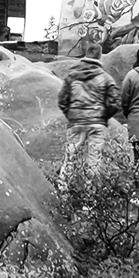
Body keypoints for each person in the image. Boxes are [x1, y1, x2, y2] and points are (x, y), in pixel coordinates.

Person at [57, 43, 120, 184]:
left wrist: (72, 114)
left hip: (76, 122)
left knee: (70, 158)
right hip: (97, 123)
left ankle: (63, 192)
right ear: (100, 56)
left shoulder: (72, 76)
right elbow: (115, 103)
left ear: (85, 55)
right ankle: (90, 199)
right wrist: (103, 116)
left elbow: (62, 100)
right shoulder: (106, 78)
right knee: (94, 161)